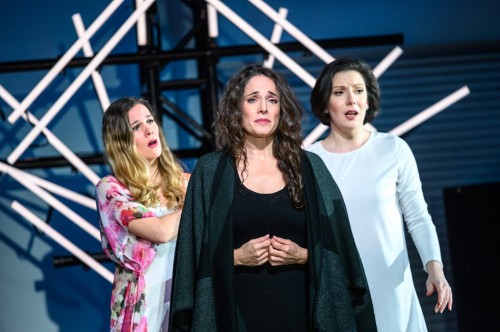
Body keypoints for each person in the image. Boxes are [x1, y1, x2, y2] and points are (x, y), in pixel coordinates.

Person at [169, 64, 377, 331]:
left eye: (272, 100)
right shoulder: (210, 172)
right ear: (236, 108)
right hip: (234, 316)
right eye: (253, 99)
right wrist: (234, 257)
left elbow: (344, 256)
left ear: (282, 109)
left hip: (302, 315)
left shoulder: (312, 169)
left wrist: (305, 255)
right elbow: (190, 258)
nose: (263, 108)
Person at [307, 57, 453, 331]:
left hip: (391, 285)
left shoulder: (393, 149)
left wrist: (435, 268)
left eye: (358, 91)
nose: (352, 100)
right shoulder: (310, 160)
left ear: (368, 99)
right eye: (340, 92)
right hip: (338, 289)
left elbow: (418, 216)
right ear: (326, 104)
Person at [96, 97, 189, 331]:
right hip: (146, 309)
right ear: (121, 142)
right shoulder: (111, 189)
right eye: (136, 127)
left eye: (150, 120)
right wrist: (196, 200)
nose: (149, 129)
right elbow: (161, 231)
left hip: (187, 301)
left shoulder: (187, 183)